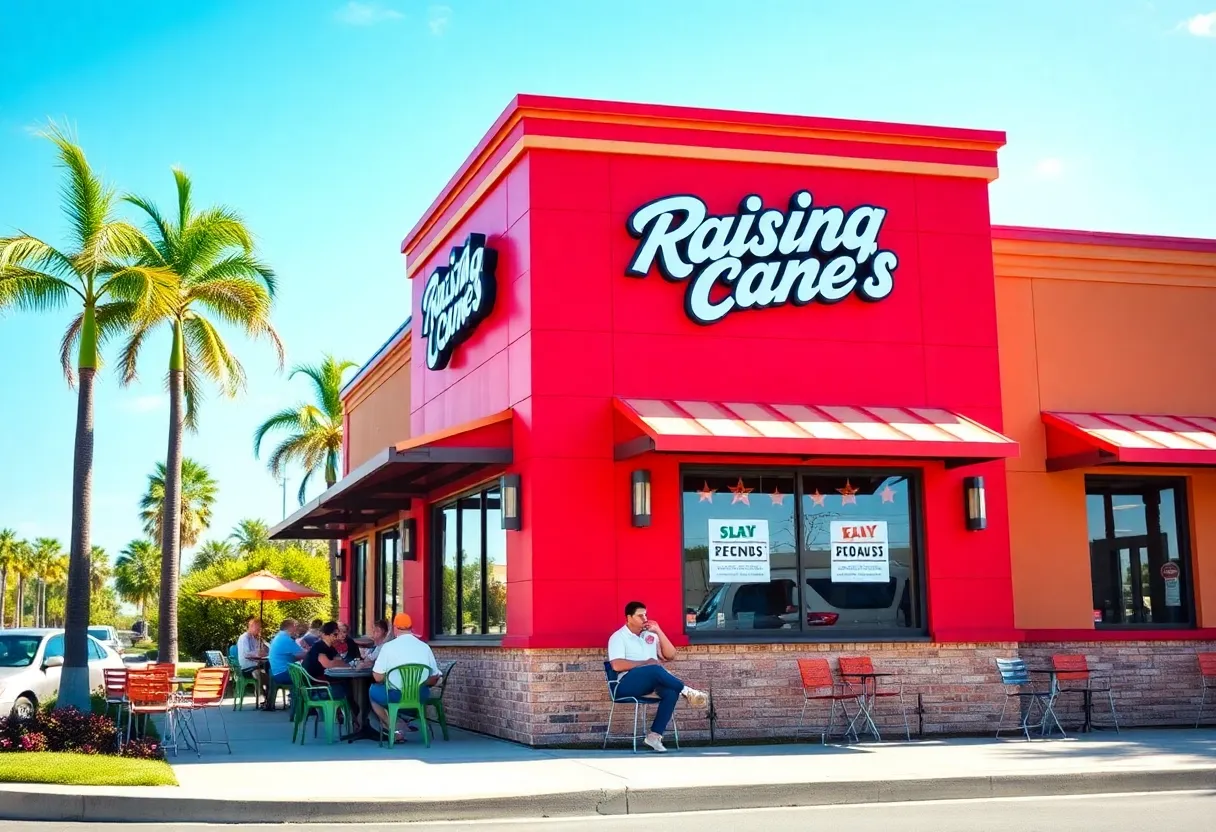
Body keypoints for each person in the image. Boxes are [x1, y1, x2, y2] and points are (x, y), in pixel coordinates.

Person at [607, 600, 707, 753]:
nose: (645, 619)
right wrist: (645, 662)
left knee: (670, 692)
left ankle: (654, 736)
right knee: (654, 668)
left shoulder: (650, 636)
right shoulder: (618, 637)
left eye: (646, 615)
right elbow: (617, 666)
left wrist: (659, 631)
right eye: (640, 616)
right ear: (629, 617)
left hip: (652, 681)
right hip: (625, 684)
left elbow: (670, 655)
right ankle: (687, 691)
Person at [370, 613, 440, 743]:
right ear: (411, 628)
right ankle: (400, 723)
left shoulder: (388, 647)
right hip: (419, 695)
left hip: (394, 695)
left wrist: (391, 677)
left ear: (395, 629)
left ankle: (394, 727)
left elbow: (378, 677)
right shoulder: (424, 647)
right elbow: (435, 677)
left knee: (372, 692)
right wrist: (420, 682)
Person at [302, 622, 358, 730]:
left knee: (348, 684)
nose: (336, 637)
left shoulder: (330, 647)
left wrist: (340, 662)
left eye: (337, 634)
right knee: (348, 687)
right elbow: (327, 664)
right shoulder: (319, 647)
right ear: (325, 635)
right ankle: (355, 717)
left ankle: (353, 716)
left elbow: (339, 660)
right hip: (317, 688)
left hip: (321, 683)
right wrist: (340, 663)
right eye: (334, 635)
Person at [266, 618, 306, 710]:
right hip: (284, 673)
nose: (297, 629)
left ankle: (299, 704)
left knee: (307, 674)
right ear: (291, 627)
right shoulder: (286, 639)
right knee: (310, 677)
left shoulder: (278, 637)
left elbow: (295, 655)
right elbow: (301, 654)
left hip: (277, 672)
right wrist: (313, 651)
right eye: (295, 626)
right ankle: (304, 706)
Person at [236, 616, 268, 700]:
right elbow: (246, 654)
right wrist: (259, 653)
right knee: (260, 673)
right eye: (257, 628)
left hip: (255, 665)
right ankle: (261, 695)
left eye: (259, 628)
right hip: (246, 667)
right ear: (251, 626)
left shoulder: (254, 638)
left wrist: (263, 649)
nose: (259, 630)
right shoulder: (244, 638)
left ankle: (267, 697)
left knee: (270, 673)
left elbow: (262, 650)